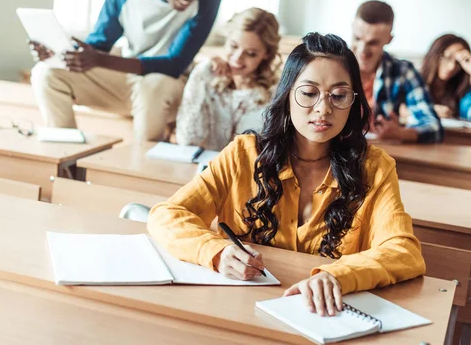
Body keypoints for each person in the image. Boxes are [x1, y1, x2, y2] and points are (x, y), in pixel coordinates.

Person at [148, 33, 425, 316]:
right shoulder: (243, 155)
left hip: (325, 316)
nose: (323, 109)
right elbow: (166, 215)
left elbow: (403, 251)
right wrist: (215, 252)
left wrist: (340, 275)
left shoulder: (374, 168)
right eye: (308, 93)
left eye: (339, 96)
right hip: (241, 311)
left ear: (353, 102)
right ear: (288, 94)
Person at [29, 0, 222, 142]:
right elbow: (99, 45)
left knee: (153, 86)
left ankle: (141, 165)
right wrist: (62, 54)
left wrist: (99, 60)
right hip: (127, 81)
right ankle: (66, 159)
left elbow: (174, 64)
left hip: (170, 88)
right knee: (45, 73)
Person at [176, 7, 281, 151]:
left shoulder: (276, 92)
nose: (237, 58)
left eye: (251, 53)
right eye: (233, 46)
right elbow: (188, 140)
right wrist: (200, 74)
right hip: (207, 169)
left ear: (267, 54)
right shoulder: (208, 76)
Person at [350, 0, 443, 143]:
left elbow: (433, 126)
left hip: (377, 155)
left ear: (389, 39)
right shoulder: (332, 65)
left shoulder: (403, 71)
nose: (363, 49)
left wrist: (400, 133)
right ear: (352, 28)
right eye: (357, 38)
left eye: (373, 42)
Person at [421, 34, 471, 124]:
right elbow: (401, 109)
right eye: (446, 57)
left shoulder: (462, 91)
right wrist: (429, 110)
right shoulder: (415, 81)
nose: (452, 67)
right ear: (434, 55)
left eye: (458, 62)